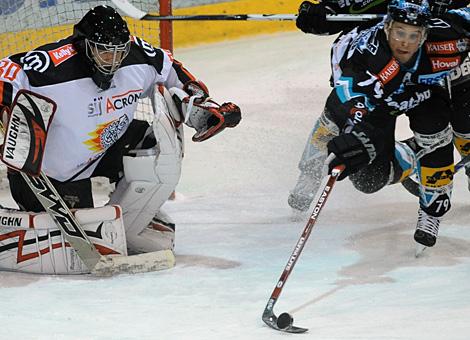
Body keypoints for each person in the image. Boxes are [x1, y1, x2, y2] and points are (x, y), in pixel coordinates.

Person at [0, 5, 241, 274]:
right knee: (72, 235)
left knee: (153, 146)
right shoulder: (53, 64)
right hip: (49, 171)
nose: (112, 60)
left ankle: (133, 220)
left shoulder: (137, 55)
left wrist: (204, 108)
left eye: (119, 52)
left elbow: (171, 68)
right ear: (84, 45)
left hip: (105, 148)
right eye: (104, 51)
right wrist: (4, 96)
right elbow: (9, 68)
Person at [289, 0, 470, 249]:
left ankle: (432, 205)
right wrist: (325, 12)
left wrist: (460, 21)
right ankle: (312, 168)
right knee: (366, 173)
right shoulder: (370, 52)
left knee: (449, 127)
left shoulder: (448, 44)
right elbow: (352, 91)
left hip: (436, 68)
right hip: (381, 71)